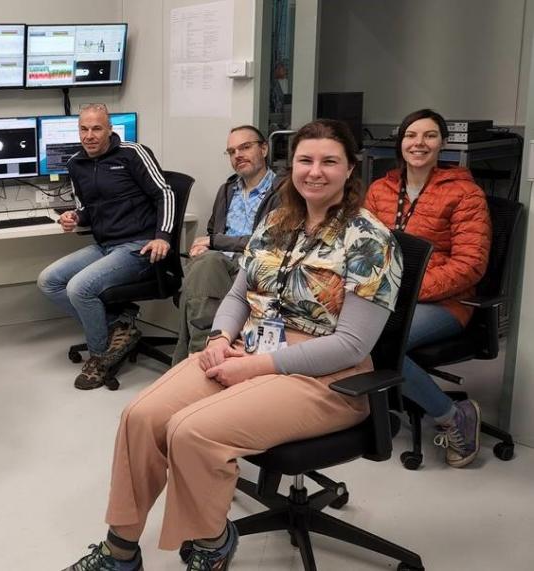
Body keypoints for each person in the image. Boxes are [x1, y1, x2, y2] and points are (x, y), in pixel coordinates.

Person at [63, 119, 402, 570]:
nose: (314, 171)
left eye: (329, 161)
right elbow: (240, 294)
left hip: (327, 378)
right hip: (247, 349)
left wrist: (256, 367)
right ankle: (120, 551)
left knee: (191, 431)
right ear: (291, 165)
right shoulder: (279, 221)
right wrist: (221, 337)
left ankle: (212, 541)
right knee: (140, 416)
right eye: (305, 160)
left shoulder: (370, 240)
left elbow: (349, 346)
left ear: (350, 168)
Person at [364, 108, 491, 468]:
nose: (419, 143)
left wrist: (405, 294)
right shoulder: (380, 189)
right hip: (386, 297)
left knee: (380, 343)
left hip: (447, 304)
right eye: (411, 135)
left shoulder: (465, 194)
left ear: (443, 143)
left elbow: (470, 266)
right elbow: (365, 248)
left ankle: (454, 416)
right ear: (400, 142)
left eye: (429, 135)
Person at [37, 103, 175, 390]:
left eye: (97, 128)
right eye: (83, 129)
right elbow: (87, 208)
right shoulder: (76, 164)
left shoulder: (132, 153)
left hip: (140, 245)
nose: (89, 135)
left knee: (79, 288)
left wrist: (162, 235)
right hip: (105, 245)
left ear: (110, 129)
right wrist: (74, 216)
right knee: (49, 280)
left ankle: (100, 356)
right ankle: (118, 325)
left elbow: (165, 193)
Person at [173, 125, 280, 363]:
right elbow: (213, 231)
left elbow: (270, 242)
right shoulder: (227, 190)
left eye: (245, 147)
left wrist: (213, 242)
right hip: (219, 266)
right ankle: (200, 352)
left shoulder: (282, 191)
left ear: (264, 149)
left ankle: (194, 354)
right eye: (232, 151)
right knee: (203, 264)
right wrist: (204, 245)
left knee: (203, 270)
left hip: (253, 270)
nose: (238, 155)